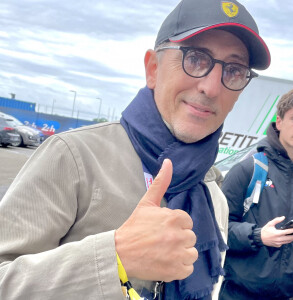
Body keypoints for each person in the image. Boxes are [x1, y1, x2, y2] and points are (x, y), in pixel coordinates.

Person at [0, 0, 270, 299]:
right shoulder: (75, 157)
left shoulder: (212, 194)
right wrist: (115, 259)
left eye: (233, 70)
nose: (212, 87)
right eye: (195, 59)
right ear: (153, 68)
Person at [219, 87, 293, 300]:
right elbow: (216, 229)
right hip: (240, 293)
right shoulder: (248, 169)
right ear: (279, 122)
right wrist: (257, 236)